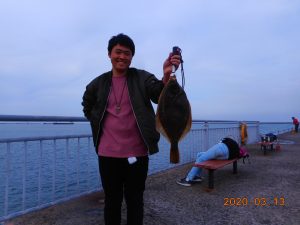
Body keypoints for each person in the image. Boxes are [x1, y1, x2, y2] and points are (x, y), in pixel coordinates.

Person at [81, 33, 181, 225]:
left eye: (127, 53)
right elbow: (87, 104)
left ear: (132, 56)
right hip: (107, 155)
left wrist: (166, 74)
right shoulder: (98, 83)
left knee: (135, 201)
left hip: (137, 154)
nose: (122, 57)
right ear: (109, 54)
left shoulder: (142, 78)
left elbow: (160, 95)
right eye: (118, 52)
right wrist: (95, 120)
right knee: (112, 202)